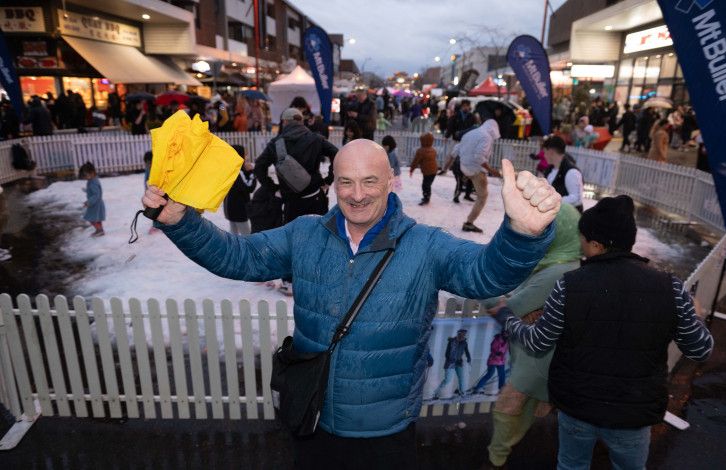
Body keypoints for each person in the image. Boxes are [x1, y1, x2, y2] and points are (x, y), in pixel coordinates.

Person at [141, 136, 561, 469]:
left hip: (386, 434)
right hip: (314, 420)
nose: (356, 195)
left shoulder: (424, 245)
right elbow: (239, 256)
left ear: (390, 182)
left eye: (369, 181)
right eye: (346, 181)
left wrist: (522, 236)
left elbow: (487, 273)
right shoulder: (305, 234)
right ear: (333, 182)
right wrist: (181, 221)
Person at [490, 195, 714, 470]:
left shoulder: (569, 286)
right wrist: (697, 316)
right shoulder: (669, 288)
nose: (580, 244)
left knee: (572, 466)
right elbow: (700, 349)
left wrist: (506, 317)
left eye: (583, 238)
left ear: (596, 244)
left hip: (578, 409)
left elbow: (536, 342)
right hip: (633, 413)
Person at [480, 203, 582, 469]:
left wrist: (489, 291)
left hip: (536, 361)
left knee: (508, 410)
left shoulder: (556, 272)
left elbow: (507, 307)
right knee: (523, 412)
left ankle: (495, 461)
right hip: (544, 357)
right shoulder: (562, 263)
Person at [254, 108, 338, 296]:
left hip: (291, 201)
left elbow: (259, 167)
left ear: (284, 122)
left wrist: (273, 187)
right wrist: (328, 180)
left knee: (292, 240)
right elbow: (337, 154)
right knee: (318, 237)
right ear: (301, 121)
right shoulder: (316, 139)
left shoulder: (277, 144)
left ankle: (289, 281)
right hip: (316, 197)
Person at [458, 115, 501, 233]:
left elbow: (460, 149)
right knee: (482, 197)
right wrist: (492, 170)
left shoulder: (471, 133)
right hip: (475, 169)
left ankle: (466, 179)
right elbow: (479, 156)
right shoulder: (486, 137)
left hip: (464, 166)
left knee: (477, 189)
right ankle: (469, 223)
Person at [542, 136, 584, 213]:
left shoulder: (572, 172)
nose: (544, 156)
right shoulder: (549, 170)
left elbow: (576, 199)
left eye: (544, 152)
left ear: (551, 152)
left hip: (568, 218)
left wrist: (552, 200)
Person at [224, 144, 257, 236]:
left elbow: (240, 185)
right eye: (245, 154)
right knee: (247, 236)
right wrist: (251, 172)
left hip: (230, 208)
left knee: (234, 233)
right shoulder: (238, 172)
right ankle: (249, 250)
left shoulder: (230, 168)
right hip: (239, 210)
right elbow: (249, 187)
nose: (246, 156)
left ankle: (233, 249)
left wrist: (246, 171)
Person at [433, 329, 472, 399]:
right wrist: (451, 359)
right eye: (462, 334)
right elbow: (446, 354)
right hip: (450, 363)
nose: (463, 335)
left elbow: (467, 351)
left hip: (459, 362)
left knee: (462, 378)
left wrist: (469, 357)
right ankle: (436, 393)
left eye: (464, 334)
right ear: (458, 334)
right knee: (447, 380)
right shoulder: (452, 342)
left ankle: (462, 391)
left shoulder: (464, 343)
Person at [409, 132, 438, 205]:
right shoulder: (433, 150)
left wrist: (411, 170)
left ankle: (426, 197)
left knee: (425, 185)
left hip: (427, 172)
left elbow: (415, 161)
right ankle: (427, 196)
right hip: (434, 171)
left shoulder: (421, 151)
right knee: (427, 184)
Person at [79, 161, 106, 237]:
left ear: (92, 172)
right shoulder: (92, 180)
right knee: (97, 218)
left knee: (91, 218)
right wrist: (87, 190)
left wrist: (89, 202)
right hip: (98, 203)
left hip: (95, 204)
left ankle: (99, 230)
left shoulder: (93, 182)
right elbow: (94, 191)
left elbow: (96, 195)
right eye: (83, 176)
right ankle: (99, 230)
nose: (85, 177)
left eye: (86, 175)